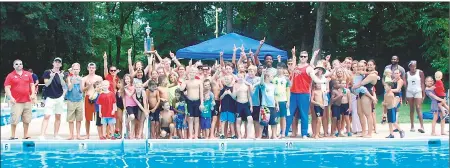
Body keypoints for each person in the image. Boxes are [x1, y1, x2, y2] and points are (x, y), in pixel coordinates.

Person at [288, 48, 326, 139]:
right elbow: (291, 70)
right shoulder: (296, 67)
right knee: (290, 114)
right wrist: (293, 55)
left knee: (304, 114)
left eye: (305, 56)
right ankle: (286, 132)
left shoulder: (309, 68)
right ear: (299, 57)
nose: (303, 58)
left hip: (304, 93)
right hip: (293, 93)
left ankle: (304, 133)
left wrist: (322, 82)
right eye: (301, 56)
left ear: (307, 57)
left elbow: (315, 78)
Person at [4, 59, 36, 140]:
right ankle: (13, 136)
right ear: (14, 66)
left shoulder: (28, 74)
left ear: (22, 65)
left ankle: (25, 135)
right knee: (14, 119)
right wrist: (11, 98)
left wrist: (32, 94)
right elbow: (7, 88)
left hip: (27, 101)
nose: (19, 65)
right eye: (17, 64)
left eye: (20, 64)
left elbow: (32, 84)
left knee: (27, 120)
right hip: (16, 101)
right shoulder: (10, 75)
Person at [40, 57, 67, 140]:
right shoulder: (47, 72)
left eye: (59, 62)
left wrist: (61, 77)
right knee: (46, 116)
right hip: (50, 97)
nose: (57, 63)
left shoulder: (63, 73)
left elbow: (63, 85)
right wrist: (52, 76)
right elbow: (47, 84)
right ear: (53, 63)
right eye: (56, 62)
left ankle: (56, 135)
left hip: (59, 97)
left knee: (58, 116)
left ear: (61, 64)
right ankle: (42, 135)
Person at [180, 68, 204, 139]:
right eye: (191, 72)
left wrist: (202, 103)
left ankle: (196, 135)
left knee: (196, 119)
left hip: (197, 101)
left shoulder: (199, 82)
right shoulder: (186, 82)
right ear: (189, 73)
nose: (192, 73)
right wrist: (184, 80)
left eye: (194, 72)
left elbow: (201, 93)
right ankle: (190, 135)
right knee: (190, 119)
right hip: (189, 102)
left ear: (196, 73)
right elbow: (181, 89)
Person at [81, 62, 103, 139]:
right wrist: (88, 86)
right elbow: (82, 90)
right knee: (88, 118)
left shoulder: (99, 78)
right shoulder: (84, 78)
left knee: (99, 116)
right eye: (90, 68)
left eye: (93, 68)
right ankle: (87, 134)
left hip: (98, 98)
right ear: (88, 68)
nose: (91, 69)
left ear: (95, 69)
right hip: (88, 98)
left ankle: (101, 134)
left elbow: (102, 88)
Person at [65, 63, 84, 140]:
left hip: (79, 100)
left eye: (77, 69)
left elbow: (81, 91)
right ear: (72, 70)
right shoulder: (69, 78)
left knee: (79, 119)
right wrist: (73, 80)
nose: (76, 71)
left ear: (79, 70)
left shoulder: (81, 79)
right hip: (71, 101)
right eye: (74, 69)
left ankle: (78, 135)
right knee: (71, 119)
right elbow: (69, 88)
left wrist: (80, 83)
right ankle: (71, 135)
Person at [405, 60, 425, 133]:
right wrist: (405, 96)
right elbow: (406, 84)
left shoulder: (420, 72)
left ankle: (422, 126)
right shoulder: (407, 74)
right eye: (412, 66)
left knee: (418, 107)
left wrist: (423, 93)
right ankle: (412, 125)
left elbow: (422, 83)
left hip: (418, 91)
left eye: (414, 66)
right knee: (411, 108)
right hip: (409, 91)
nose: (413, 68)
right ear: (409, 66)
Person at [259, 69, 279, 139]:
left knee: (274, 122)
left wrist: (277, 105)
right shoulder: (264, 85)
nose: (273, 77)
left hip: (273, 106)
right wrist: (262, 74)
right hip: (265, 106)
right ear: (267, 77)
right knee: (263, 122)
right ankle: (259, 136)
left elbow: (275, 96)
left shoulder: (273, 86)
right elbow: (261, 82)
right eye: (271, 76)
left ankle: (274, 135)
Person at [233, 73, 254, 139]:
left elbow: (249, 96)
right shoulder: (235, 85)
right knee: (238, 120)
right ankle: (239, 135)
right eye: (239, 77)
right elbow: (233, 96)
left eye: (241, 77)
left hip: (246, 104)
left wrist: (251, 106)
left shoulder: (246, 86)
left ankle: (248, 135)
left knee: (250, 119)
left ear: (244, 77)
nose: (240, 78)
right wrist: (237, 90)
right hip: (239, 104)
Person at [273, 63, 290, 138]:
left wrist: (288, 101)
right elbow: (272, 90)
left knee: (283, 117)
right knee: (275, 118)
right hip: (275, 101)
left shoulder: (286, 79)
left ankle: (283, 133)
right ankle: (275, 133)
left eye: (281, 68)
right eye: (278, 68)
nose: (279, 70)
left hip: (283, 100)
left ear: (283, 69)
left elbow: (288, 91)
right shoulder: (274, 79)